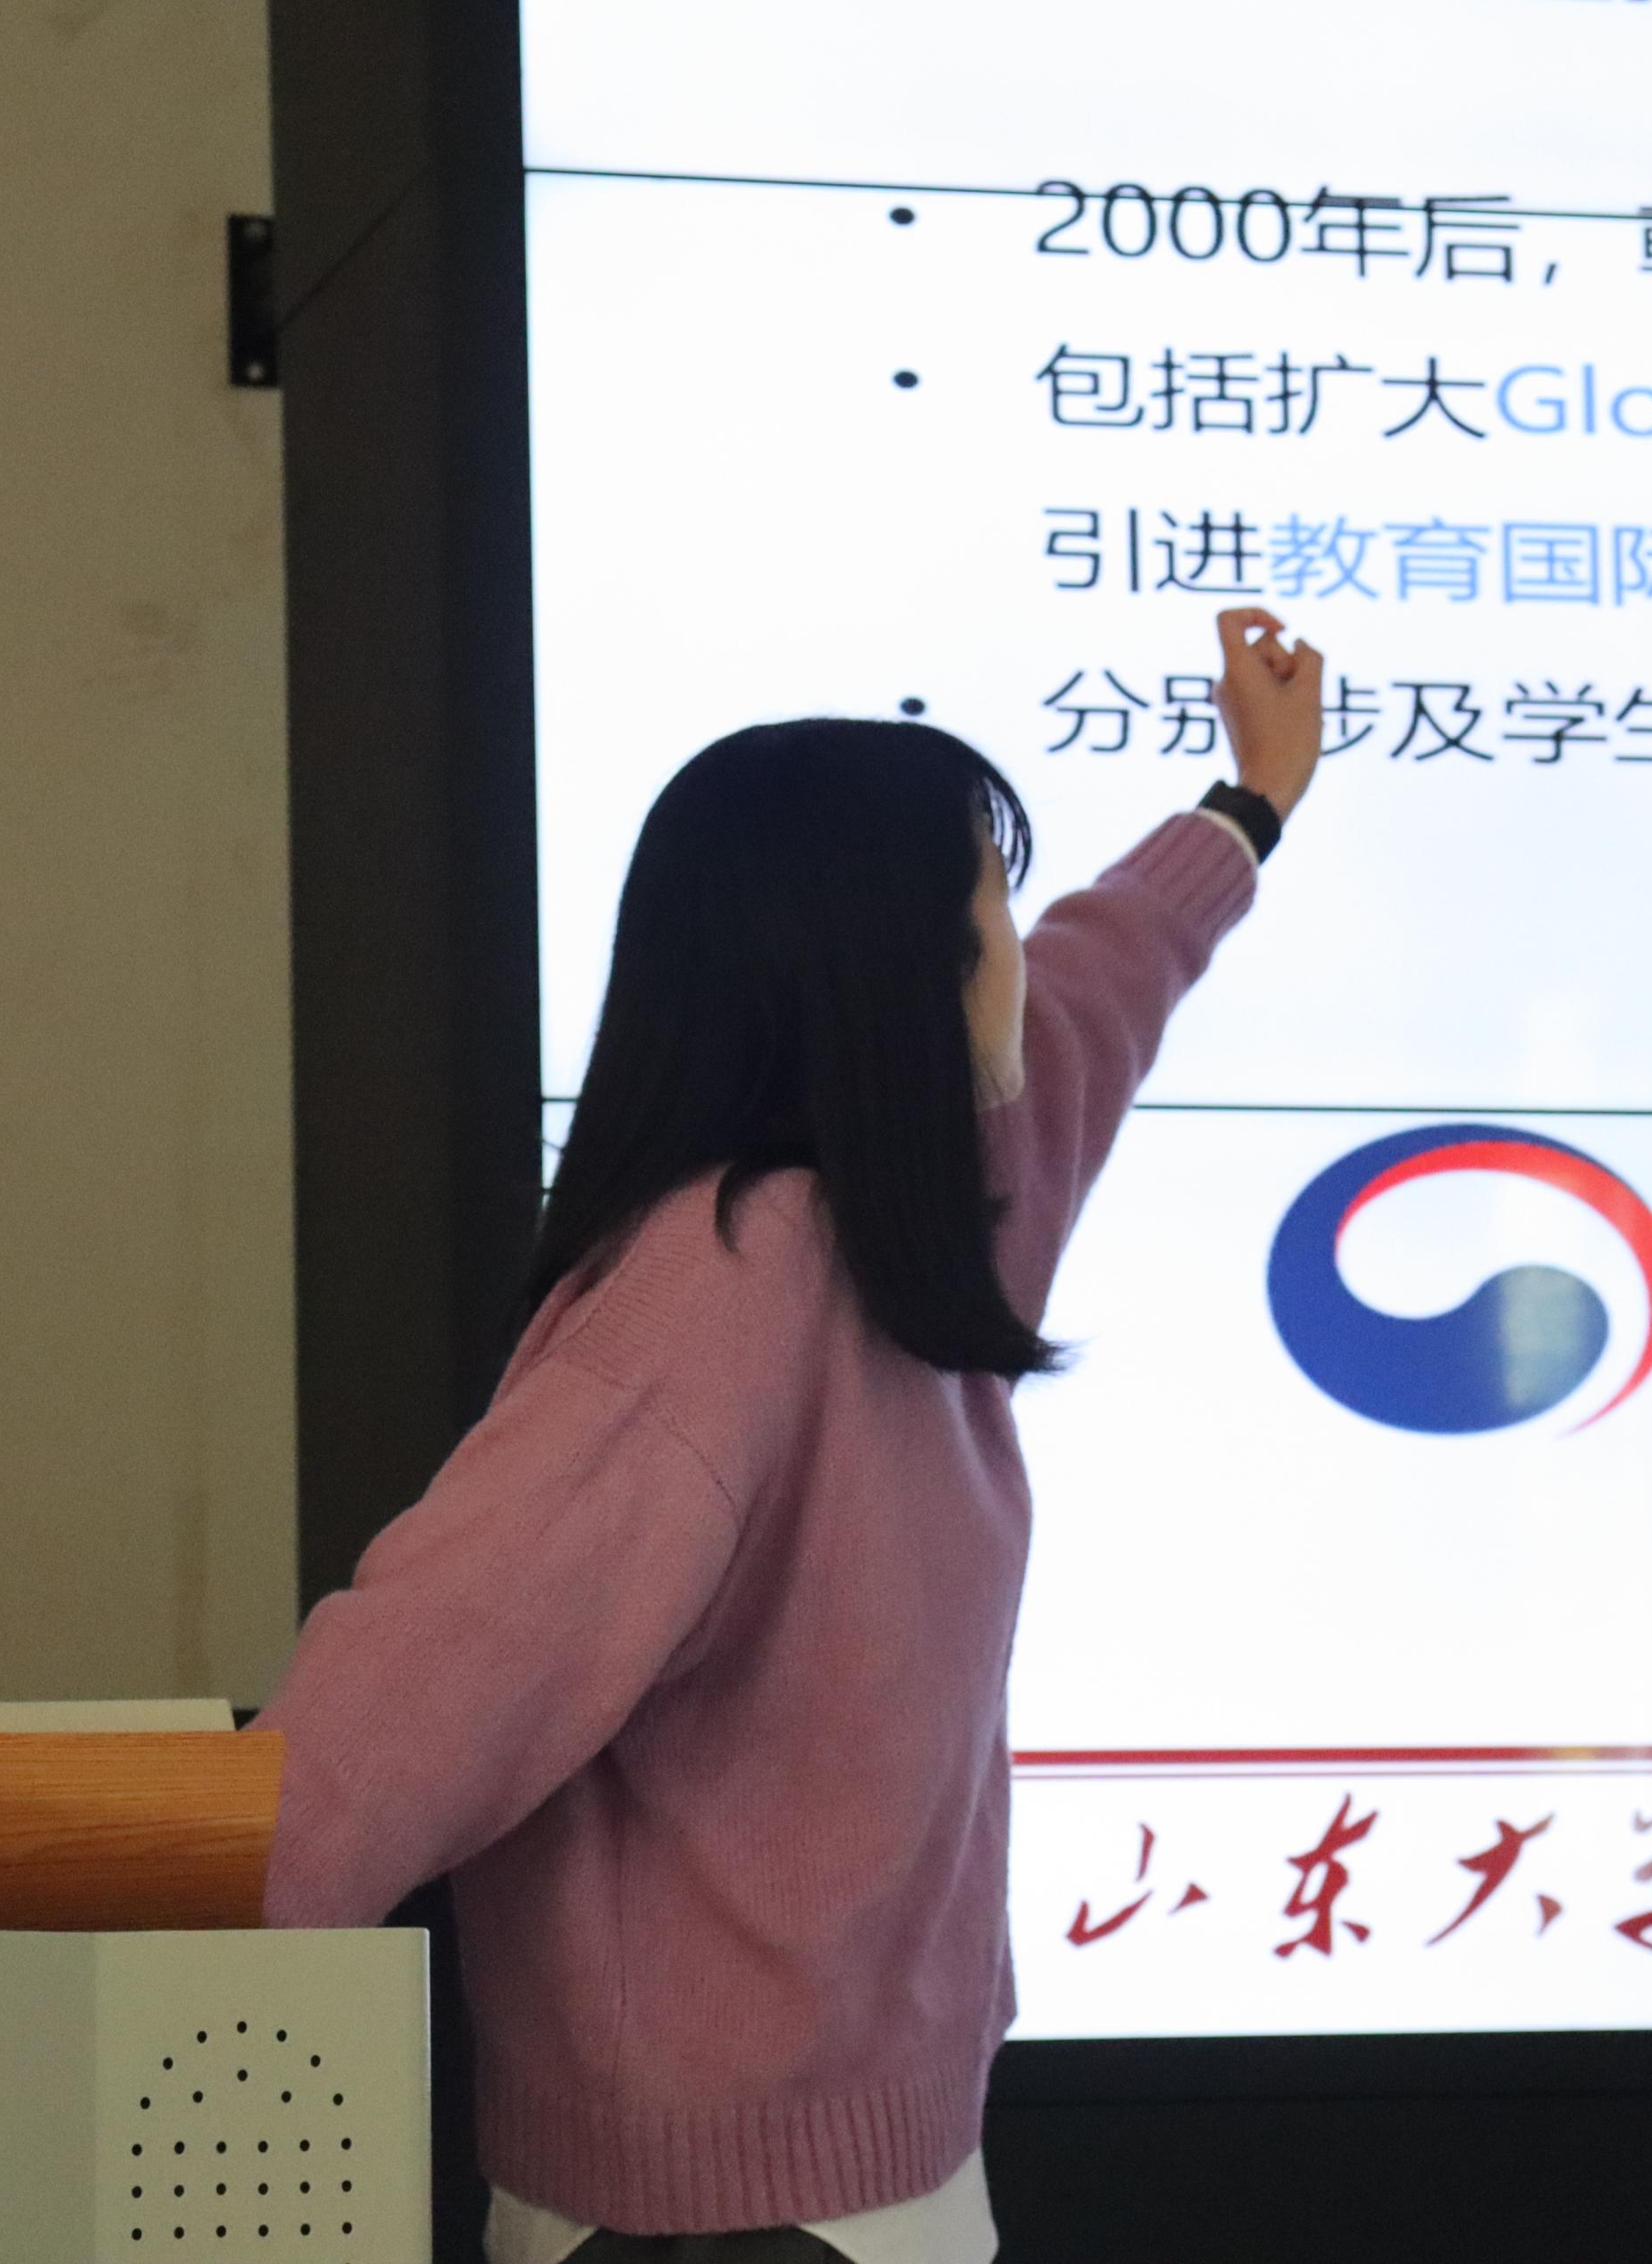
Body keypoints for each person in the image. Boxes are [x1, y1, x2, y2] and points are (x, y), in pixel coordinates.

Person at [261, 608, 1329, 2261]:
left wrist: (1247, 806)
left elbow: (1106, 982)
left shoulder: (929, 1219)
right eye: (991, 910)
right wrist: (119, 1945)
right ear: (900, 975)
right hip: (701, 2225)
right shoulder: (719, 1290)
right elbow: (415, 1698)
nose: (1021, 949)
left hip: (882, 2175)